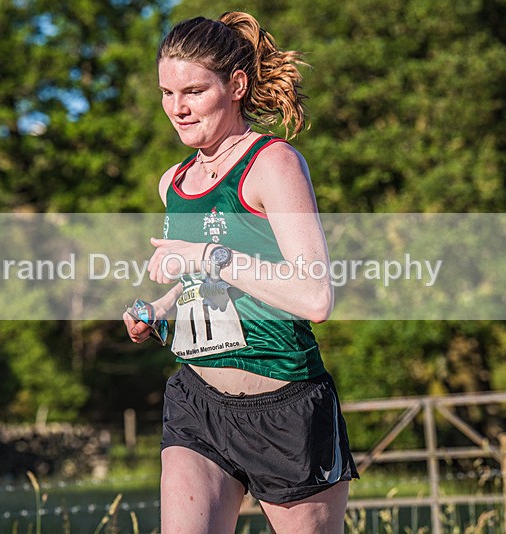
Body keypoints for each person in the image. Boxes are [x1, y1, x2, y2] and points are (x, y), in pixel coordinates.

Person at [122, 12, 358, 534]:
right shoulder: (174, 182)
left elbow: (315, 295)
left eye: (192, 91)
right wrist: (157, 312)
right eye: (166, 92)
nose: (176, 109)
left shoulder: (273, 164)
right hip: (198, 403)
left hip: (285, 408)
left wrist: (205, 254)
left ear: (236, 85)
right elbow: (205, 290)